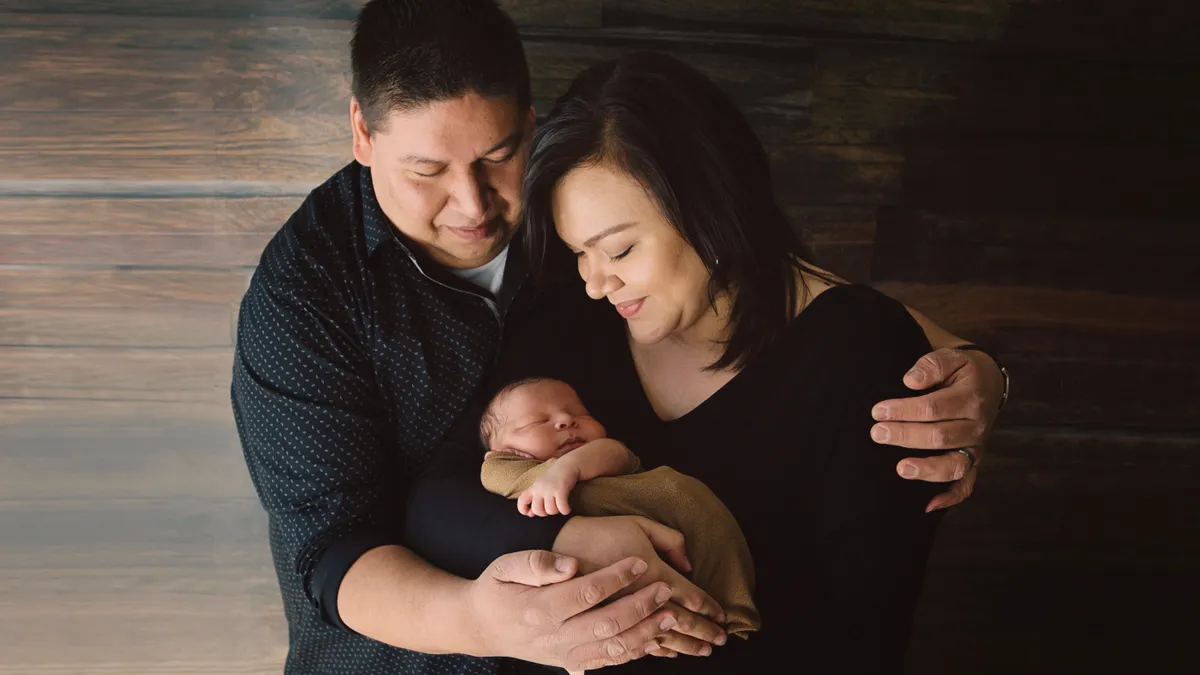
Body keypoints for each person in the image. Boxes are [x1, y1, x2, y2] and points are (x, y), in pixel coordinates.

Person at [229, 1, 1008, 674]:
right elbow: (332, 552)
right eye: (425, 170)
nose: (471, 204)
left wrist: (978, 368)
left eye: (499, 158)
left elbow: (794, 297)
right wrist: (497, 606)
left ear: (529, 128)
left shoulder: (570, 244)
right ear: (362, 133)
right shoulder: (311, 295)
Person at [478, 377, 761, 637]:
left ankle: (734, 614)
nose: (567, 420)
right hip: (609, 588)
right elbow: (496, 476)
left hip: (680, 515)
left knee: (716, 561)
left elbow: (614, 451)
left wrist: (568, 469)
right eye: (536, 422)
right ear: (504, 452)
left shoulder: (600, 455)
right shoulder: (505, 471)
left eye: (581, 414)